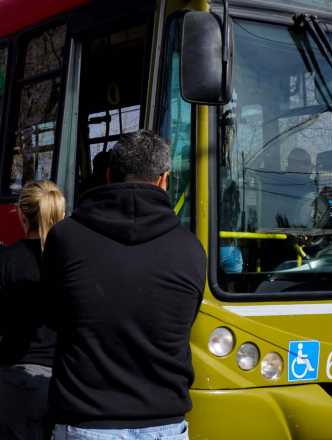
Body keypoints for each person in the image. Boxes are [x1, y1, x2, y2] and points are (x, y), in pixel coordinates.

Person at [43, 130, 206, 440]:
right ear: (164, 180)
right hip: (166, 424)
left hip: (86, 420)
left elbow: (53, 317)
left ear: (108, 175)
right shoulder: (191, 248)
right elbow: (185, 322)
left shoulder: (65, 238)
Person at [0, 180, 65, 440]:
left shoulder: (6, 258)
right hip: (64, 378)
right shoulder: (72, 260)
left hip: (15, 374)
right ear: (60, 213)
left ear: (21, 213)